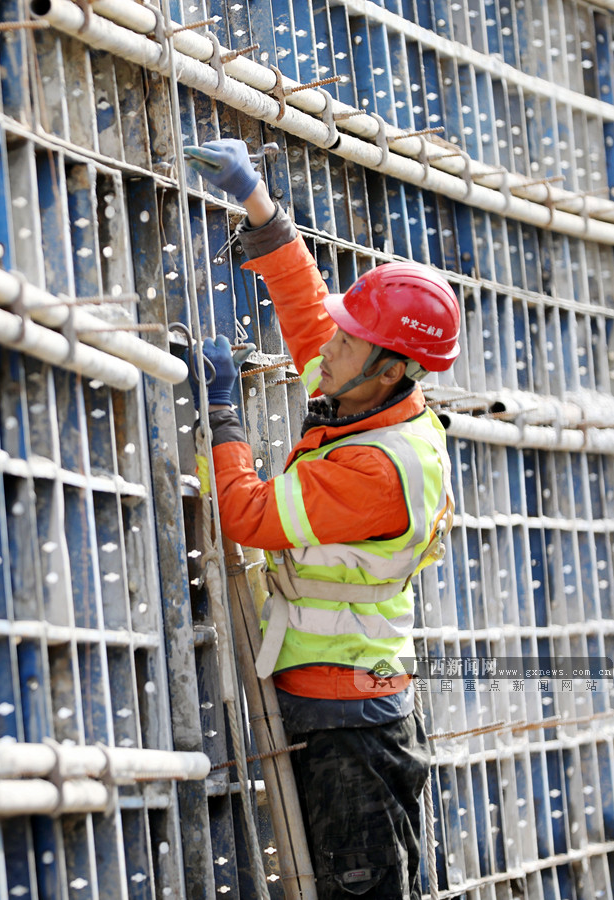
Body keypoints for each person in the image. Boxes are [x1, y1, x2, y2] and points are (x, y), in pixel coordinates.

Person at [186, 139, 460, 899]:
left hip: (351, 720)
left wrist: (222, 418)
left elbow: (244, 513)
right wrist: (258, 205)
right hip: (338, 699)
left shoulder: (378, 465)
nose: (327, 348)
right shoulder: (363, 397)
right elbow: (309, 312)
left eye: (349, 342)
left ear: (392, 368)